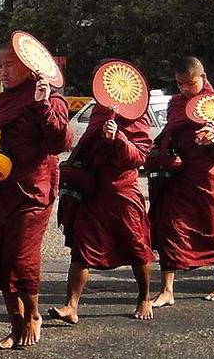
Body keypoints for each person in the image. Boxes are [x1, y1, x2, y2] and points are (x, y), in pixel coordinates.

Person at [0, 38, 69, 349]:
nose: (2, 72)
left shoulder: (48, 99)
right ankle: (15, 325)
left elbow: (61, 142)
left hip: (32, 189)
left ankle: (33, 315)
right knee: (2, 256)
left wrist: (43, 103)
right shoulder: (1, 101)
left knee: (21, 256)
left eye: (9, 65)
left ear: (28, 68)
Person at [49, 80, 156, 322]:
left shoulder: (137, 117)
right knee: (82, 247)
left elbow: (138, 156)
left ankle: (144, 297)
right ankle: (71, 306)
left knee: (136, 247)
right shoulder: (98, 112)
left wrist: (118, 138)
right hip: (92, 190)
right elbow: (83, 148)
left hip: (122, 191)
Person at [147, 57, 214, 305]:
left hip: (206, 176)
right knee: (171, 229)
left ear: (203, 78)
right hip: (178, 177)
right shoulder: (176, 103)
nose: (185, 89)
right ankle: (167, 289)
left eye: (190, 83)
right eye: (180, 84)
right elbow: (169, 133)